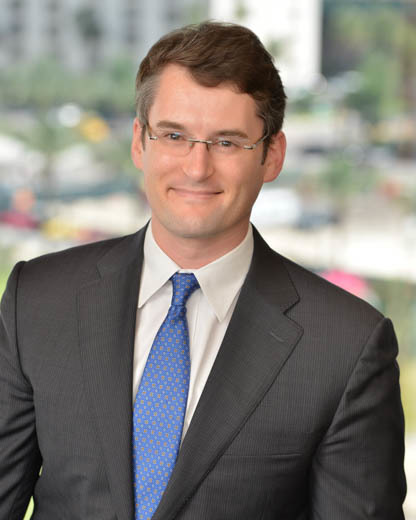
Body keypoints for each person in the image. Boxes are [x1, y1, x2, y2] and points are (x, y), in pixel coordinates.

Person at [0, 21, 406, 520]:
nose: (196, 168)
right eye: (174, 135)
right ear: (139, 142)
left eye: (227, 142)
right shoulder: (36, 301)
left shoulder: (346, 347)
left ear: (272, 155)